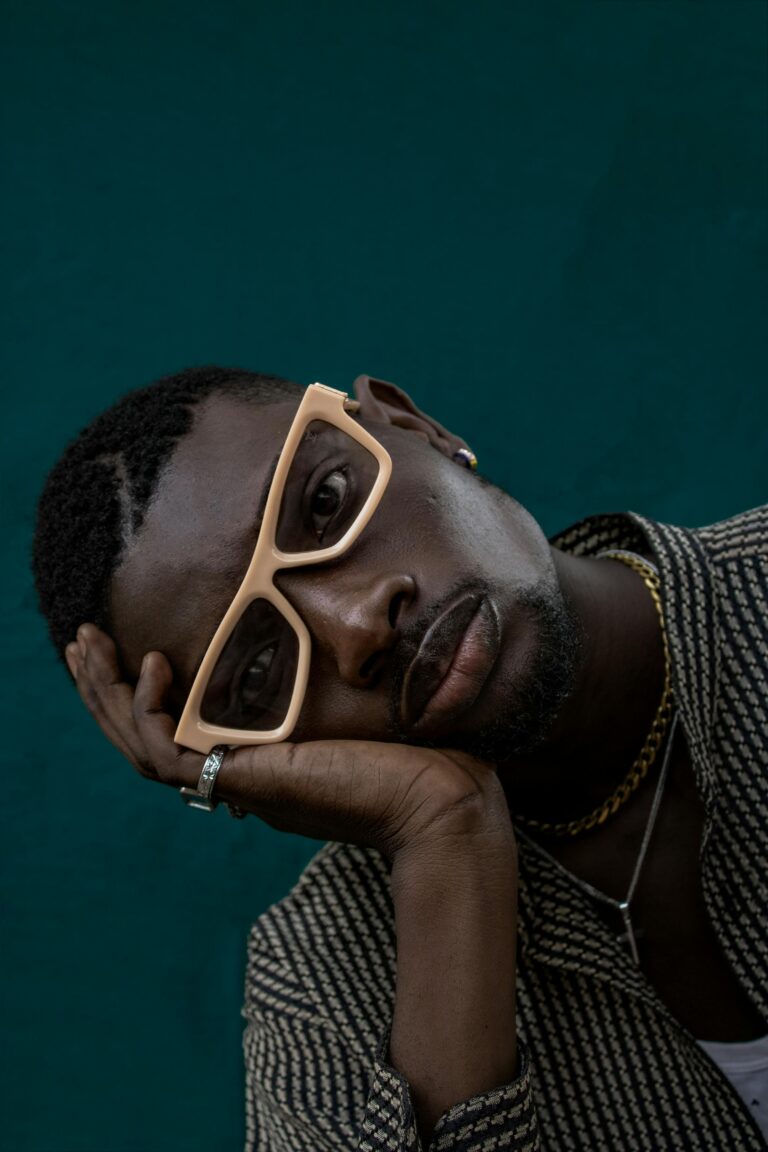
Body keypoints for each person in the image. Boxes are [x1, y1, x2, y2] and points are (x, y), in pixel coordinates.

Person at [33, 366, 768, 1150]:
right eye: (256, 672)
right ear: (246, 749)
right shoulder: (322, 986)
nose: (357, 628)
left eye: (324, 505)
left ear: (417, 427)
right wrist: (445, 835)